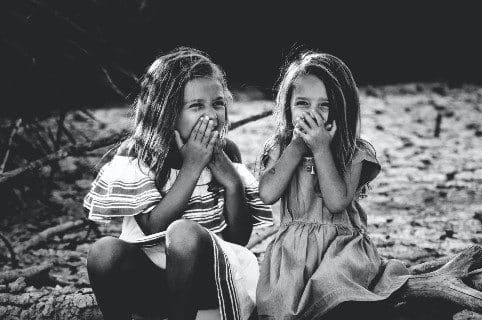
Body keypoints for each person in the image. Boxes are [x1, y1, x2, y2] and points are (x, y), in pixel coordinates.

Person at [84, 47, 273, 320]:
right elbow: (153, 227)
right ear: (167, 112)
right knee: (103, 251)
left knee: (185, 233)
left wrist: (232, 184)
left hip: (210, 281)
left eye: (217, 103)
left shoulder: (226, 152)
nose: (211, 115)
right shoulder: (137, 154)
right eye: (196, 106)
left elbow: (237, 239)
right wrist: (192, 166)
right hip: (151, 281)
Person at [256, 51, 410, 319]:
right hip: (293, 254)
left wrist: (321, 149)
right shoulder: (280, 148)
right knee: (282, 307)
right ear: (287, 107)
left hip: (340, 250)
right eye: (302, 103)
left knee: (332, 287)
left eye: (324, 105)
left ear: (342, 108)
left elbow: (337, 201)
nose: (312, 114)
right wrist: (295, 148)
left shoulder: (353, 152)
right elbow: (267, 193)